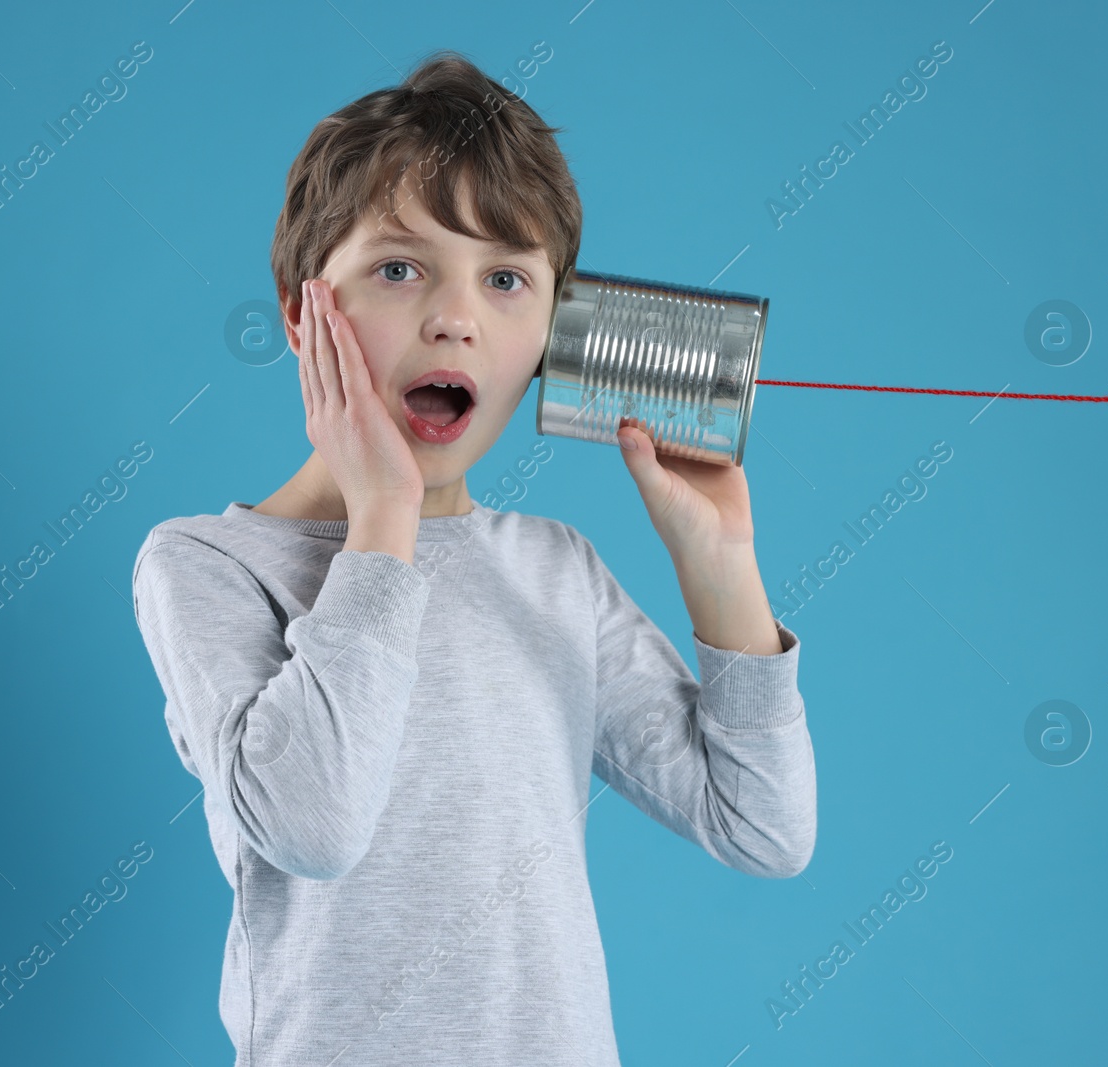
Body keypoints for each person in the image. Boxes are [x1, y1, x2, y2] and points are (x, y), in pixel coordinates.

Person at [130, 49, 815, 1066]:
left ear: (550, 337)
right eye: (399, 268)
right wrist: (382, 515)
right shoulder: (207, 564)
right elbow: (313, 828)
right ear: (301, 314)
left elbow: (762, 825)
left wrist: (722, 570)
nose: (453, 315)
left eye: (505, 279)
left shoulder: (555, 570)